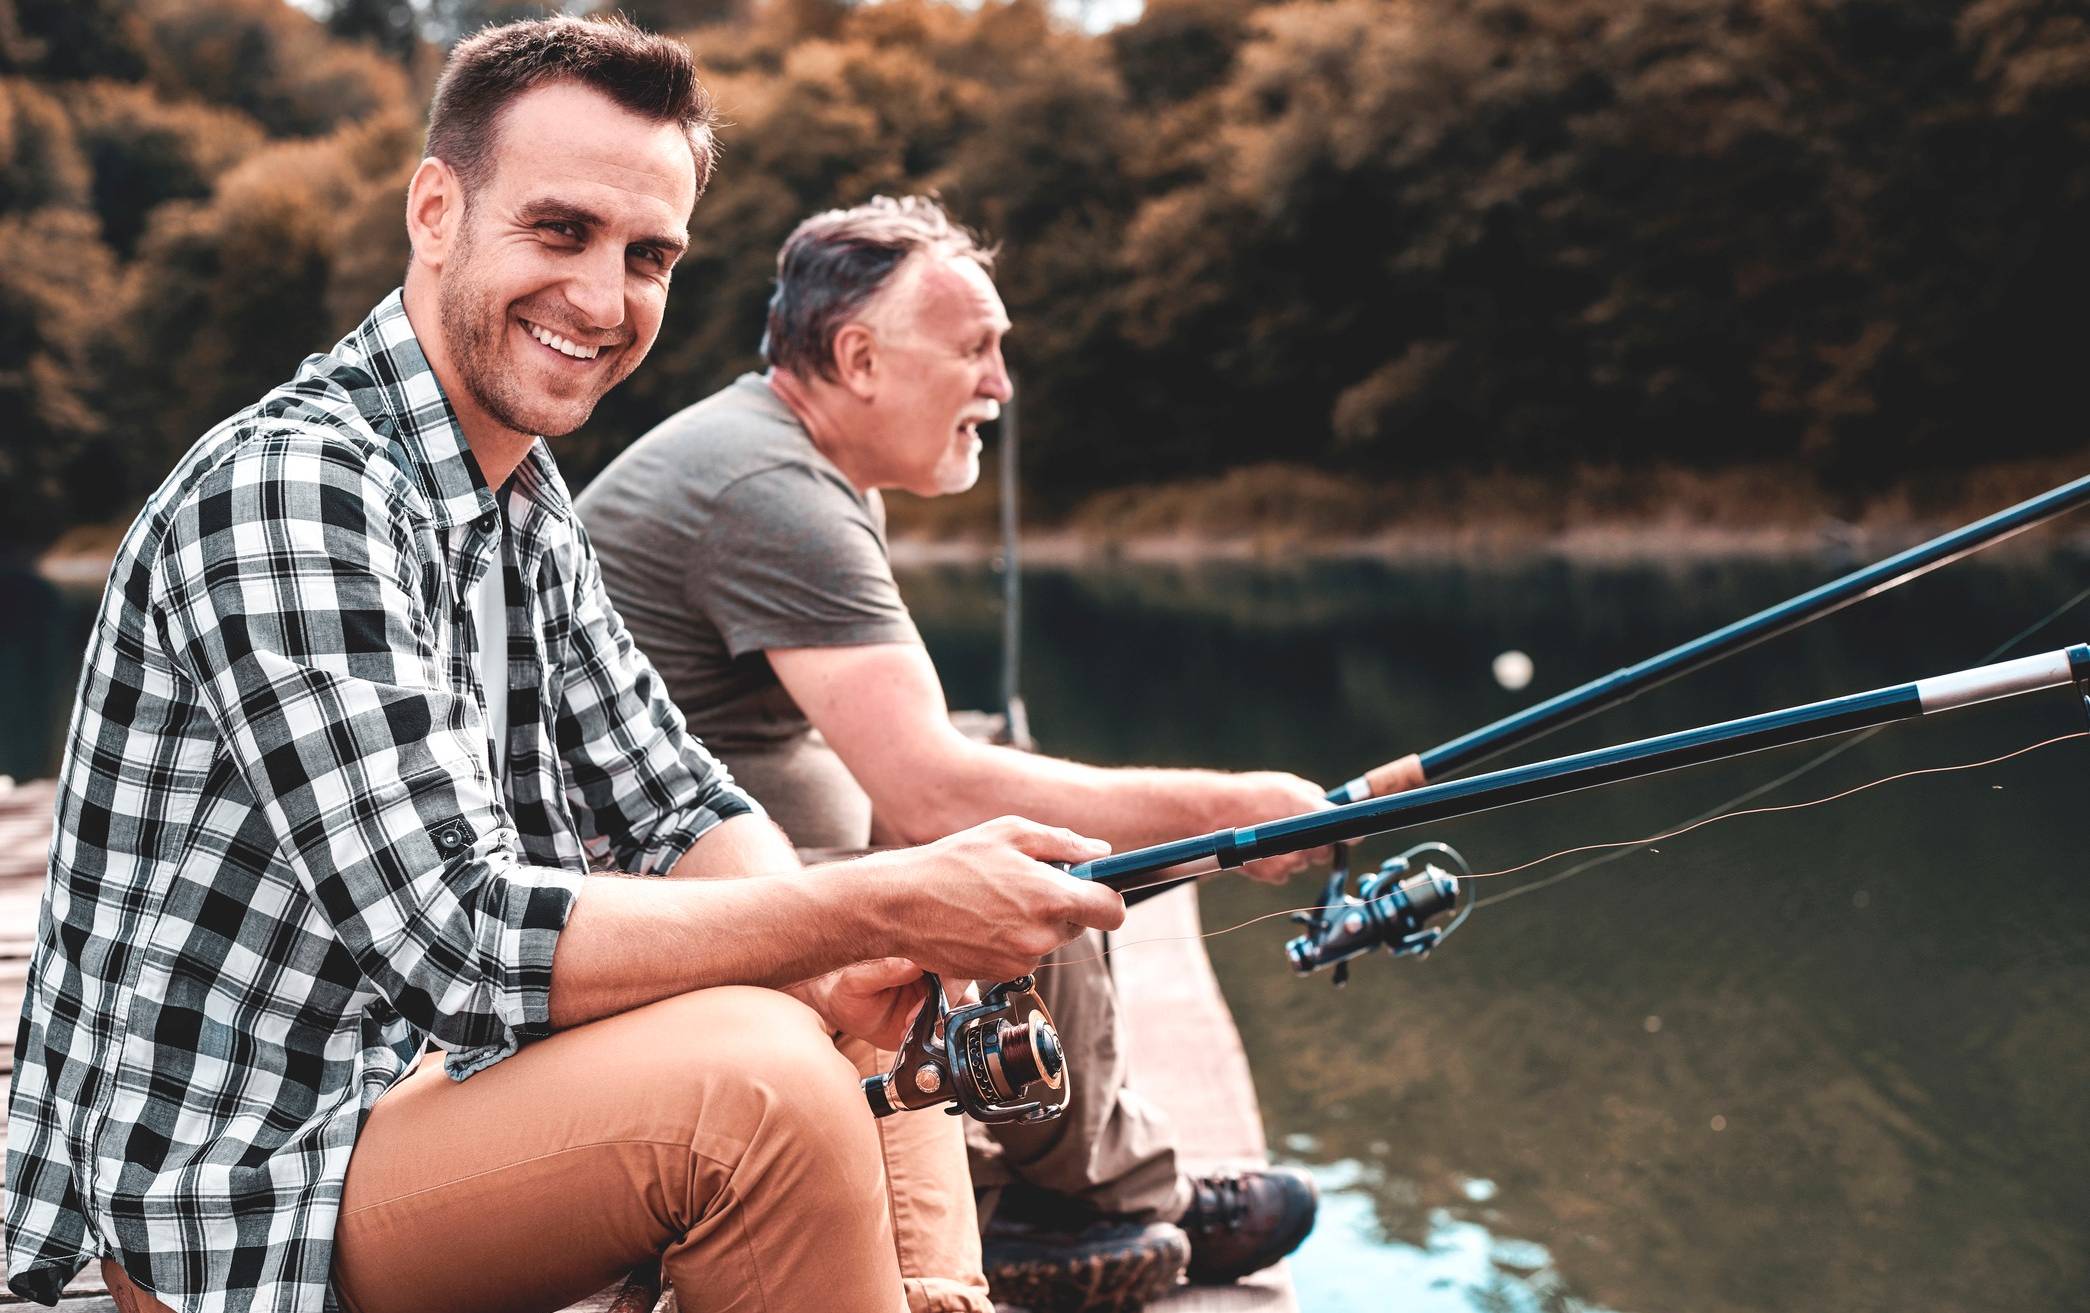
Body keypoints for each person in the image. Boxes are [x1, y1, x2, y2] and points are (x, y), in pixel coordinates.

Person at [3, 22, 1124, 1313]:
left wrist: (844, 965)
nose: (604, 299)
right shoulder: (293, 489)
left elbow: (678, 804)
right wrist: (868, 909)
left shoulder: (519, 500)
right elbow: (459, 938)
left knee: (867, 1014)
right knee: (755, 1084)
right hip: (242, 1194)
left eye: (647, 255)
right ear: (436, 210)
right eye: (559, 231)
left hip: (423, 1089)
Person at [577, 196, 1328, 1310]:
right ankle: (1108, 1199)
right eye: (975, 348)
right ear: (858, 357)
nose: (1000, 384)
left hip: (707, 869)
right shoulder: (771, 490)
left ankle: (1047, 1172)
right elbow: (931, 791)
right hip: (652, 916)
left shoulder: (779, 453)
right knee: (1018, 856)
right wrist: (1239, 808)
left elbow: (910, 761)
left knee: (1000, 782)